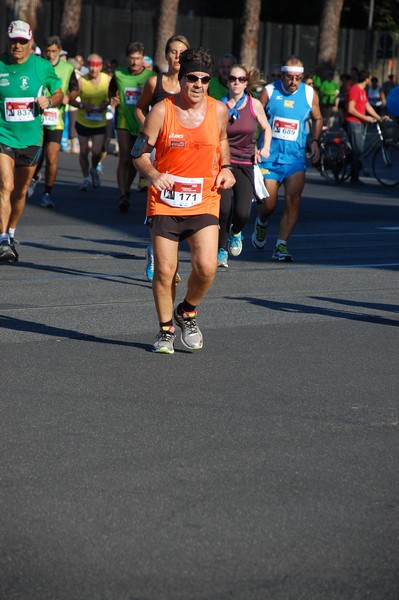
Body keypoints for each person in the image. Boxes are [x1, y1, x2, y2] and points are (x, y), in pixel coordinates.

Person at [132, 47, 235, 354]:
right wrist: (153, 174)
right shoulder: (162, 111)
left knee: (207, 267)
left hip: (204, 199)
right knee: (165, 270)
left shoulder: (218, 110)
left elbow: (222, 140)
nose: (198, 85)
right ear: (181, 78)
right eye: (192, 78)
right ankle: (165, 330)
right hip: (166, 201)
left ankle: (187, 311)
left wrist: (227, 168)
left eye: (204, 80)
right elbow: (138, 153)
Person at [0, 20, 63, 262]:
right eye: (14, 41)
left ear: (30, 42)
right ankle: (3, 238)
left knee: (19, 191)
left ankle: (11, 231)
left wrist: (50, 100)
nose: (17, 45)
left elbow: (59, 92)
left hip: (31, 139)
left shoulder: (41, 66)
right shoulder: (1, 65)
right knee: (5, 186)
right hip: (3, 135)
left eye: (22, 41)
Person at [251, 54, 322, 262]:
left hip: (295, 159)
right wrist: (253, 145)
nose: (293, 82)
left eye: (297, 78)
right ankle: (262, 223)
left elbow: (318, 118)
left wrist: (316, 141)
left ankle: (281, 246)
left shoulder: (309, 94)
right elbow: (254, 116)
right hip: (269, 158)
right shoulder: (270, 91)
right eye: (289, 77)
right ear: (282, 74)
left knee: (294, 200)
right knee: (269, 204)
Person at [135, 34, 190, 281]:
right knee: (158, 202)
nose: (177, 56)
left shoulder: (192, 83)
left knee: (179, 204)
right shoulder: (154, 83)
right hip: (158, 152)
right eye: (173, 51)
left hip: (184, 153)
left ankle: (165, 255)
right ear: (166, 55)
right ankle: (157, 254)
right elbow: (138, 107)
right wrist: (149, 131)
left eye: (182, 52)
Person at [217, 64, 271, 268]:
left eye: (241, 79)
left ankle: (236, 233)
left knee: (242, 213)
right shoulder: (219, 105)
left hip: (246, 163)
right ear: (227, 81)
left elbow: (266, 128)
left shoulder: (253, 104)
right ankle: (221, 250)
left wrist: (264, 148)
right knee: (223, 210)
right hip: (224, 164)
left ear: (246, 82)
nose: (236, 82)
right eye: (232, 79)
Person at [27, 35, 79, 207]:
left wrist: (68, 97)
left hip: (56, 119)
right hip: (36, 118)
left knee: (51, 157)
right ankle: (33, 178)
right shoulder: (36, 65)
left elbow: (75, 89)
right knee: (35, 155)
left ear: (60, 51)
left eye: (54, 51)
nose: (50, 54)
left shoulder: (67, 68)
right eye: (48, 51)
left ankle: (47, 192)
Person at [108, 41, 153, 212]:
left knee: (135, 158)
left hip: (142, 122)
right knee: (124, 158)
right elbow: (111, 90)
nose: (134, 62)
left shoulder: (151, 76)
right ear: (127, 59)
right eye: (132, 58)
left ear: (143, 58)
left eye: (138, 58)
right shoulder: (119, 73)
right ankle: (122, 195)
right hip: (124, 120)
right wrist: (113, 99)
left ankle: (127, 189)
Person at [69, 53, 111, 191]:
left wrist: (107, 104)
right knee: (83, 151)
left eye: (96, 66)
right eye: (91, 66)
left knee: (96, 151)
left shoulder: (108, 80)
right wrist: (82, 106)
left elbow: (114, 97)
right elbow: (71, 99)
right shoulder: (81, 81)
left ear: (101, 67)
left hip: (99, 123)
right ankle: (86, 178)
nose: (93, 69)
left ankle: (94, 168)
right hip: (83, 121)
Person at [345, 70, 386, 185]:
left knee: (359, 149)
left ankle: (354, 168)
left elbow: (367, 106)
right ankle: (354, 176)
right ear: (366, 78)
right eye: (369, 78)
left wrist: (379, 118)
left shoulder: (363, 91)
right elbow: (351, 109)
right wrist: (365, 118)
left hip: (360, 123)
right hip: (353, 122)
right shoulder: (355, 89)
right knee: (357, 149)